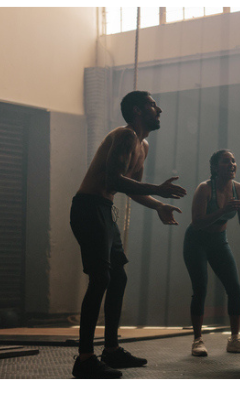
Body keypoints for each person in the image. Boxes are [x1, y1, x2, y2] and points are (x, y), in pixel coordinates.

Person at [69, 91, 187, 378]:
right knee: (101, 278)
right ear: (137, 110)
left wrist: (158, 204)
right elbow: (113, 180)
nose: (158, 109)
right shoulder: (126, 135)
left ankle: (111, 351)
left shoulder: (142, 145)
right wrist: (158, 189)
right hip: (89, 208)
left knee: (117, 276)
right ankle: (85, 359)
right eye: (151, 105)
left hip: (105, 210)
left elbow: (132, 188)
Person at [183, 149, 240, 356]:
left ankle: (234, 339)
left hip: (219, 242)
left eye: (234, 161)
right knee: (200, 288)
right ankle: (197, 341)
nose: (232, 164)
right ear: (215, 168)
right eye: (226, 162)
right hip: (196, 242)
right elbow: (197, 222)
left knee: (235, 288)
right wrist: (222, 211)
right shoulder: (204, 189)